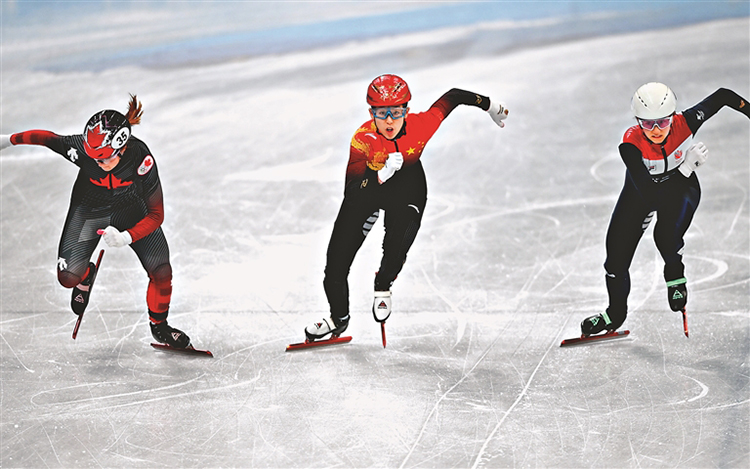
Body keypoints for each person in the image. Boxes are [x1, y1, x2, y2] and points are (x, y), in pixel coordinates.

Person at [305, 74, 509, 341]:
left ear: (407, 110)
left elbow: (453, 96)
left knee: (397, 245)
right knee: (335, 266)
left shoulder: (421, 125)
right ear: (371, 113)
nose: (389, 120)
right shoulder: (362, 140)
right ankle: (338, 318)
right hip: (367, 192)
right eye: (382, 113)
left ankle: (383, 283)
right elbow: (352, 192)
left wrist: (490, 105)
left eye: (396, 112)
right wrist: (380, 175)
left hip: (407, 188)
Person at [0, 95, 191, 348]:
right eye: (94, 158)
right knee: (67, 277)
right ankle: (85, 275)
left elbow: (156, 214)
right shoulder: (83, 150)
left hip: (131, 209)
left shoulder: (141, 159)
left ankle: (160, 326)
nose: (98, 163)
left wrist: (126, 237)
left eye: (104, 159)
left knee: (161, 271)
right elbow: (47, 139)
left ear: (122, 148)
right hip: (89, 208)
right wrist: (7, 140)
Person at [581, 83, 750, 336]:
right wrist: (686, 168)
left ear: (673, 116)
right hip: (641, 195)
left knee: (665, 236)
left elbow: (724, 96)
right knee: (615, 259)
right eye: (648, 124)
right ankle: (614, 314)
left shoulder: (686, 122)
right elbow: (651, 196)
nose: (656, 130)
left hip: (682, 191)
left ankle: (675, 275)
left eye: (663, 122)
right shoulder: (630, 144)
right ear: (638, 122)